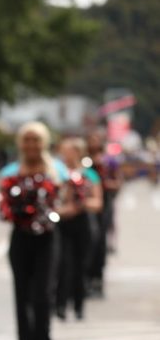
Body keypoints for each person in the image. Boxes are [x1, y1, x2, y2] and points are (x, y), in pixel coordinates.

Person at [0, 122, 68, 340]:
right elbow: (3, 207)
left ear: (44, 142)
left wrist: (52, 216)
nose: (31, 145)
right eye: (26, 140)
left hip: (48, 239)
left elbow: (70, 202)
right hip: (20, 239)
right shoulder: (10, 172)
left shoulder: (57, 170)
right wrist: (17, 213)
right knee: (21, 299)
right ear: (20, 143)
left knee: (42, 298)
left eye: (36, 140)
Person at [56, 137, 102, 321]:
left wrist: (81, 204)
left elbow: (97, 202)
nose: (65, 155)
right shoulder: (59, 173)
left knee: (80, 266)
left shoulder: (89, 175)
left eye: (69, 150)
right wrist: (62, 210)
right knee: (62, 265)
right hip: (62, 224)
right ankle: (59, 304)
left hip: (83, 224)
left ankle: (78, 306)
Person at [85, 131, 120, 298]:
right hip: (86, 205)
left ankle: (97, 281)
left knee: (100, 242)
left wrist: (106, 184)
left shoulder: (108, 161)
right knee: (86, 242)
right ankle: (84, 279)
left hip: (104, 204)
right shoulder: (83, 161)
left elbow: (118, 182)